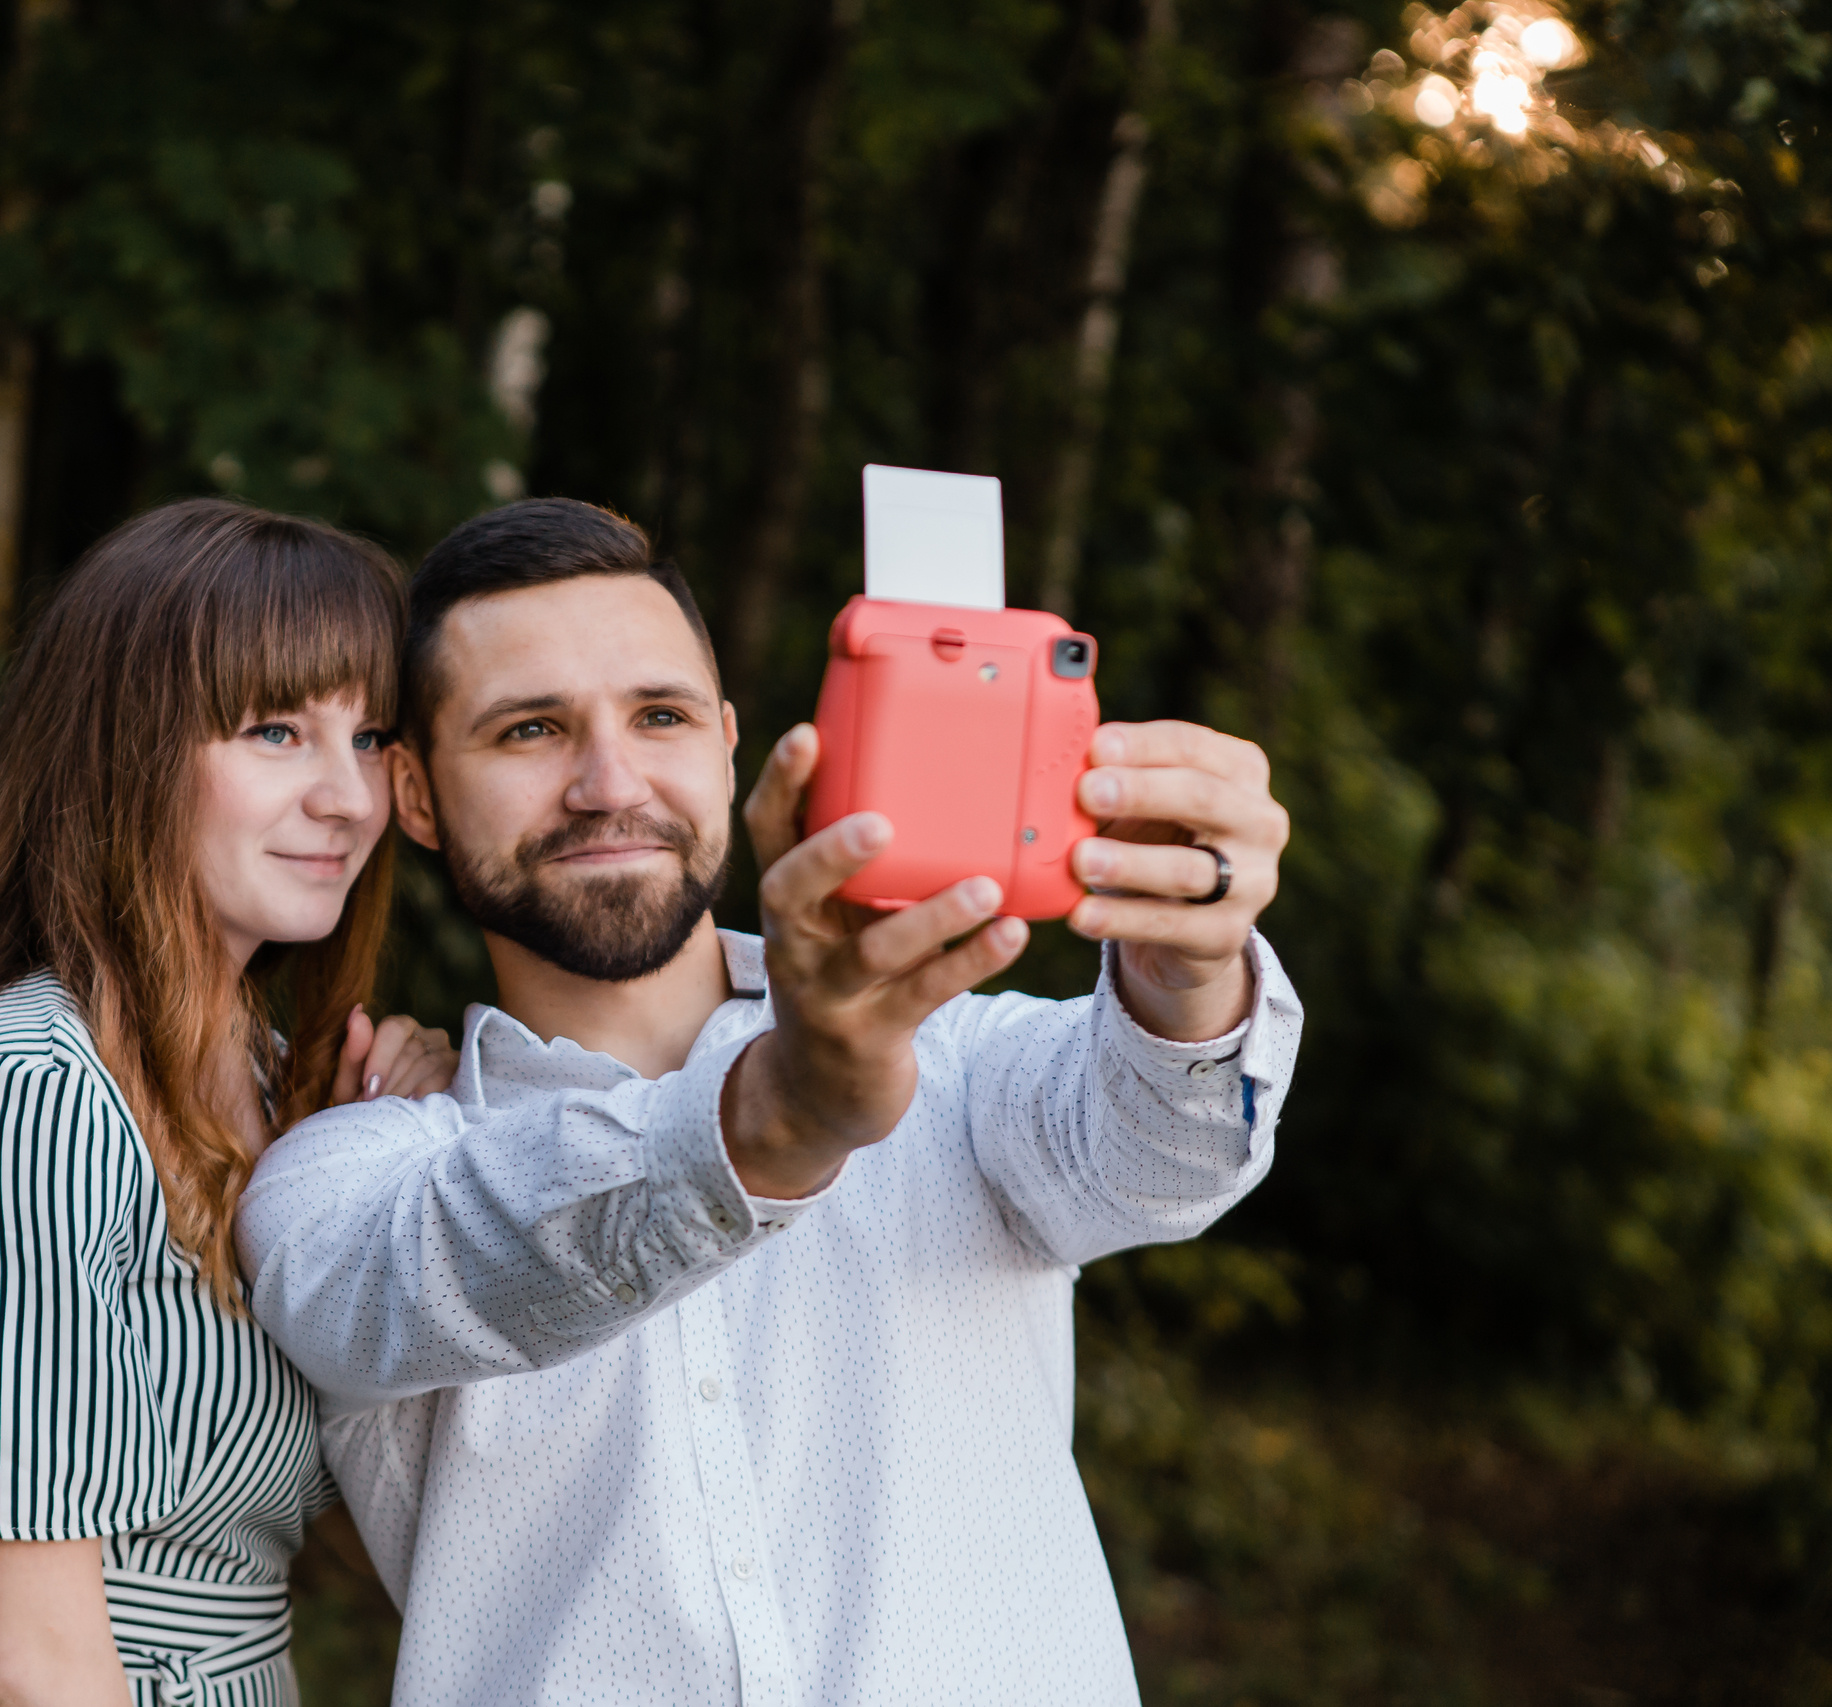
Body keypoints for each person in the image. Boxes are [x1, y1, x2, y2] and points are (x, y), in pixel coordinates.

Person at [238, 498, 1304, 1706]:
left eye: (659, 716)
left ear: (729, 745)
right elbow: (414, 1278)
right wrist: (775, 1119)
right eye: (529, 730)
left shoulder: (961, 1065)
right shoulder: (350, 1174)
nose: (607, 782)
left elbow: (1159, 1155)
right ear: (418, 798)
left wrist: (1189, 975)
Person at [0, 498, 456, 1707]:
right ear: (126, 751)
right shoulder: (27, 1090)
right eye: (277, 732)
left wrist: (370, 1185)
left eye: (370, 737)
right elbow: (29, 1670)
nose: (349, 798)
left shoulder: (268, 1083)